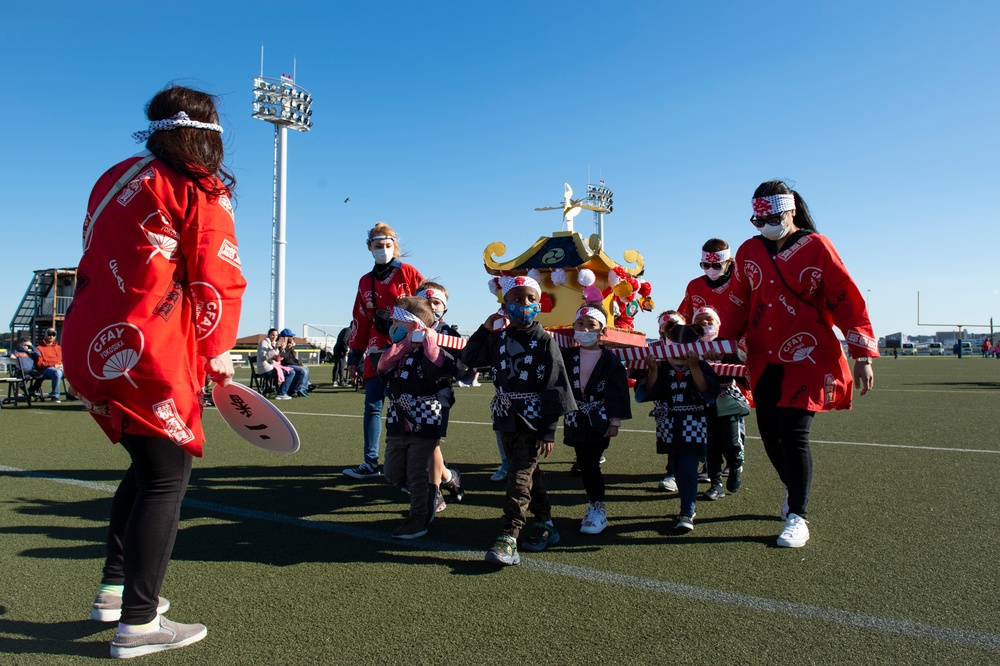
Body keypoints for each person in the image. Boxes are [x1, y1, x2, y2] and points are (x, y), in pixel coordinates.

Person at [62, 85, 246, 658]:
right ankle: (139, 625)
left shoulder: (117, 175)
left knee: (146, 469)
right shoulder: (197, 184)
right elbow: (216, 273)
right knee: (167, 478)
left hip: (92, 340)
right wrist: (218, 347)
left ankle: (115, 594)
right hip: (151, 347)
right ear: (208, 131)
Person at [720, 180, 876, 548]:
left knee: (794, 432)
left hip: (808, 355)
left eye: (772, 217)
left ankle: (798, 515)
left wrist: (863, 355)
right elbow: (738, 300)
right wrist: (727, 343)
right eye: (758, 220)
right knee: (770, 433)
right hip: (763, 355)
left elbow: (847, 298)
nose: (765, 225)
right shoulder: (748, 250)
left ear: (790, 211)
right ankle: (793, 488)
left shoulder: (818, 246)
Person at [463, 275, 577, 566]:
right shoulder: (499, 338)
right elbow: (469, 358)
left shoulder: (544, 341)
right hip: (505, 417)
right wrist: (485, 328)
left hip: (532, 420)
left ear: (539, 303)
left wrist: (548, 431)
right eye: (516, 299)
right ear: (505, 304)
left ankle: (509, 535)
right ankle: (546, 522)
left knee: (518, 479)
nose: (523, 305)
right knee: (528, 475)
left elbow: (556, 386)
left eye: (530, 299)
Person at [344, 222, 425, 479]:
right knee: (373, 405)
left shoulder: (409, 273)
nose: (383, 250)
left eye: (388, 246)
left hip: (408, 348)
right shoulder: (365, 281)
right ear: (369, 247)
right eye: (378, 246)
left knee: (408, 405)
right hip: (377, 349)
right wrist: (354, 356)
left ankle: (414, 464)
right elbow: (360, 319)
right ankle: (370, 462)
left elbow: (429, 307)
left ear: (395, 247)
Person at [377, 297, 463, 538]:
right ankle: (430, 493)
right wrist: (401, 347)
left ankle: (419, 519)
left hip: (425, 420)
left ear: (415, 326)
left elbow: (440, 368)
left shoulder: (432, 348)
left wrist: (429, 343)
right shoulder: (395, 349)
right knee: (392, 473)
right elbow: (382, 368)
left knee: (417, 474)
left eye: (397, 321)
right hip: (397, 420)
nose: (392, 325)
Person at [636, 324, 720, 533]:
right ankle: (686, 504)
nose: (678, 360)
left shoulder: (701, 366)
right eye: (674, 354)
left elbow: (706, 390)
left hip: (694, 422)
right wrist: (653, 370)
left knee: (688, 467)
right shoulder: (663, 367)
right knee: (676, 466)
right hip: (669, 424)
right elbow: (649, 390)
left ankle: (687, 511)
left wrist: (694, 367)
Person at [561, 304, 631, 534]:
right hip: (576, 416)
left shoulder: (610, 360)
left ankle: (597, 507)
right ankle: (594, 502)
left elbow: (618, 390)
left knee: (590, 462)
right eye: (581, 324)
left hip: (599, 417)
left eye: (591, 325)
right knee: (583, 461)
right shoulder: (567, 355)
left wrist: (615, 421)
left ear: (601, 330)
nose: (585, 329)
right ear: (573, 328)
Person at [416, 281, 466, 509]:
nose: (430, 306)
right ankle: (448, 476)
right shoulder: (407, 328)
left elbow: (462, 361)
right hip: (409, 396)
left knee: (429, 444)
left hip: (437, 395)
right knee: (418, 443)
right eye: (425, 301)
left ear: (444, 308)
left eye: (435, 302)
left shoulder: (447, 332)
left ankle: (433, 490)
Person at [691, 306, 748, 501]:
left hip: (726, 400)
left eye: (709, 321)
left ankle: (735, 467)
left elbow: (743, 367)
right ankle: (716, 484)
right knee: (710, 445)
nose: (705, 325)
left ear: (718, 325)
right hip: (700, 403)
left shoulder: (727, 345)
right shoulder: (688, 346)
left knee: (731, 442)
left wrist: (726, 356)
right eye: (699, 322)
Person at [651, 310, 685, 493]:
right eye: (665, 328)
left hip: (691, 401)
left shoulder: (695, 345)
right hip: (664, 401)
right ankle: (672, 471)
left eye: (675, 326)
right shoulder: (654, 347)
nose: (669, 332)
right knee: (670, 437)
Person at [256, 329, 301, 399]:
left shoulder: (273, 343)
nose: (274, 337)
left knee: (292, 372)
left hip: (273, 366)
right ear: (268, 335)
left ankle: (285, 391)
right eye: (272, 335)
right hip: (266, 369)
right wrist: (275, 348)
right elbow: (264, 357)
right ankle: (281, 393)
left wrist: (281, 353)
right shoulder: (263, 343)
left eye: (276, 335)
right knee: (291, 373)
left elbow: (277, 359)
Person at [33, 328, 65, 402]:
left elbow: (64, 360)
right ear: (45, 335)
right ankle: (55, 396)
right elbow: (39, 364)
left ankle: (74, 394)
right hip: (46, 370)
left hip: (61, 368)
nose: (51, 336)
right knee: (57, 372)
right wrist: (54, 365)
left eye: (53, 335)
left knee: (76, 371)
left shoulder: (59, 348)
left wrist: (63, 365)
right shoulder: (39, 348)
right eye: (49, 334)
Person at [278, 328, 311, 396]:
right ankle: (295, 389)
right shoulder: (281, 346)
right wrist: (297, 365)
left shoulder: (289, 346)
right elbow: (286, 360)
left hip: (290, 364)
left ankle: (304, 387)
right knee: (302, 371)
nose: (292, 338)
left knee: (306, 368)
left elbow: (293, 358)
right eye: (291, 337)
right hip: (285, 365)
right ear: (286, 337)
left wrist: (299, 363)